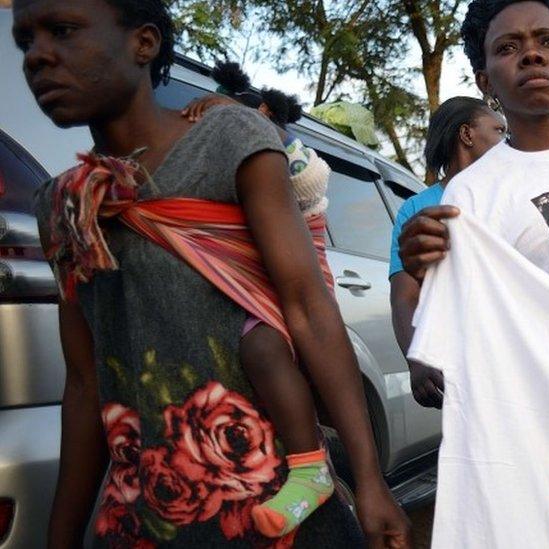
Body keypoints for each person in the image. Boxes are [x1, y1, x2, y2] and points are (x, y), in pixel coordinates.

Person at [13, 0, 408, 545]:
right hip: (142, 519)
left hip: (272, 509)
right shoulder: (64, 204)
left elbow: (310, 307)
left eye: (62, 31)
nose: (37, 57)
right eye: (24, 42)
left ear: (144, 43)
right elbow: (84, 382)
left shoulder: (229, 142)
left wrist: (369, 481)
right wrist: (60, 537)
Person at [174, 59, 349, 537]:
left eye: (231, 124)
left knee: (264, 347)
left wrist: (232, 115)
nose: (221, 135)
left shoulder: (293, 153)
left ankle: (312, 468)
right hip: (257, 280)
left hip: (302, 279)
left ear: (264, 112)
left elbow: (284, 181)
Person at [389, 97, 505, 409]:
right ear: (467, 134)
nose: (506, 141)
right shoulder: (418, 209)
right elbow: (404, 295)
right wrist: (417, 359)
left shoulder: (511, 196)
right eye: (498, 130)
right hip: (464, 370)